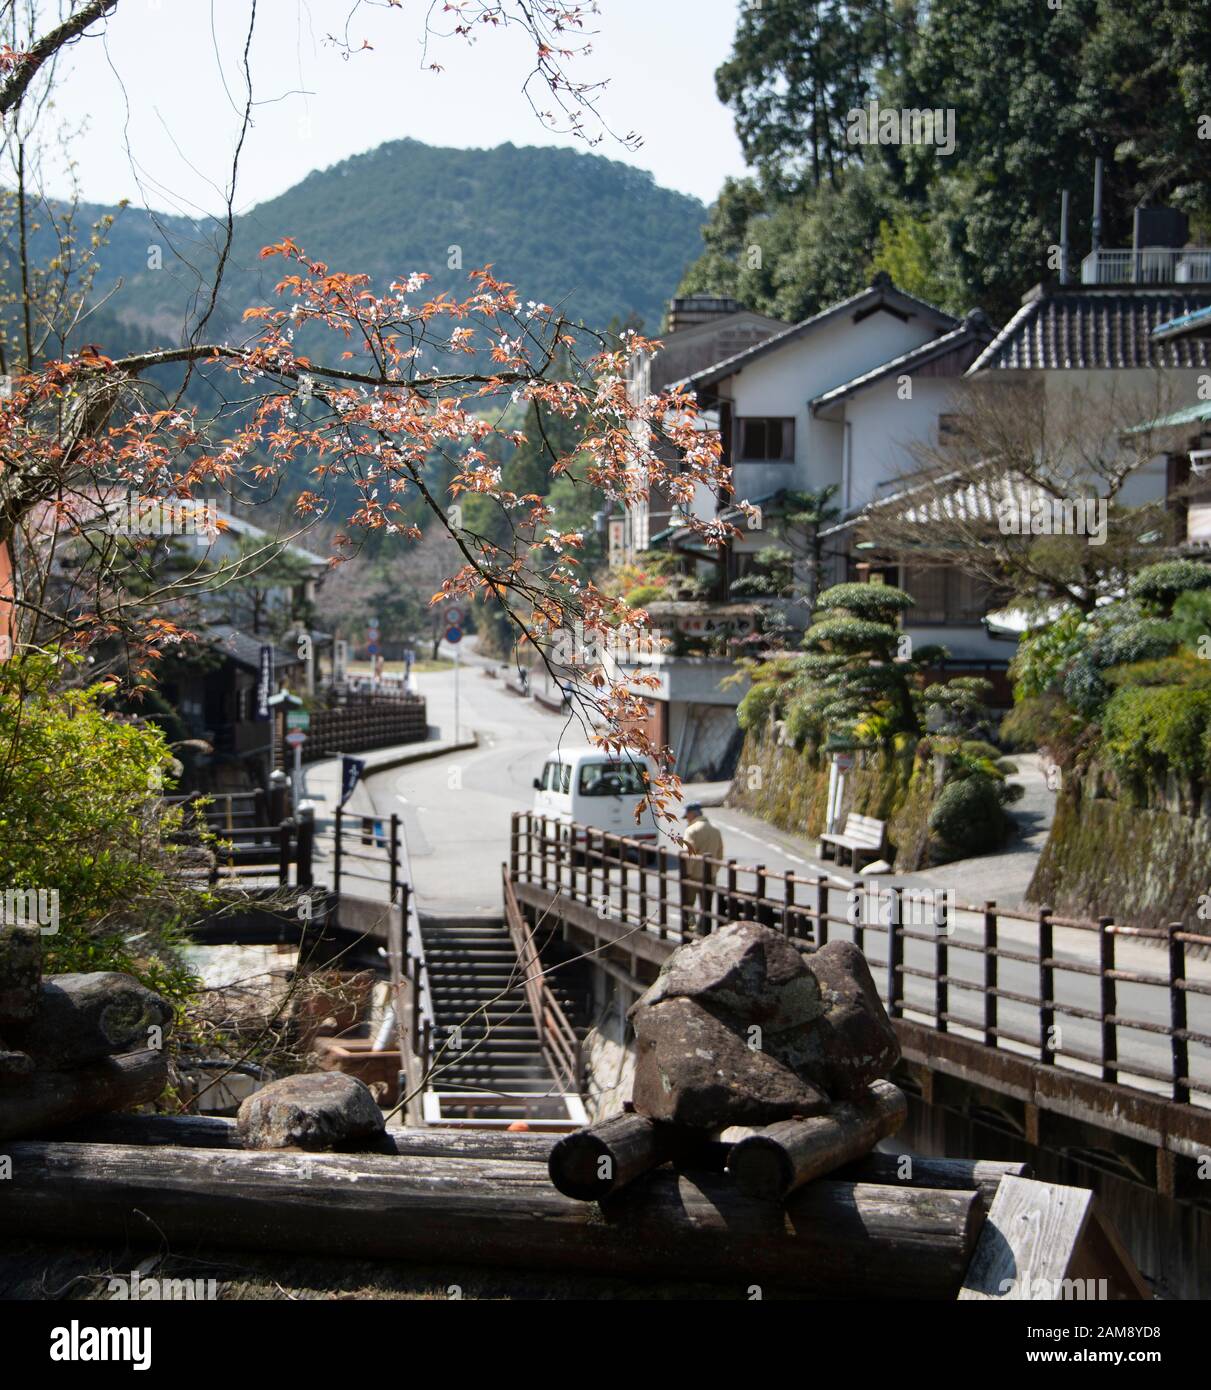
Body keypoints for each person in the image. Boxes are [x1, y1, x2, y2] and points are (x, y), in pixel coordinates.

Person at [680, 802, 724, 936]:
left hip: (693, 875)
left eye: (687, 816)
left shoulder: (691, 830)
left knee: (688, 904)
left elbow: (688, 855)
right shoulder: (715, 830)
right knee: (706, 907)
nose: (686, 819)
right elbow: (720, 853)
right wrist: (714, 870)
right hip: (710, 875)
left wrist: (686, 874)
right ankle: (704, 932)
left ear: (692, 814)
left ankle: (691, 931)